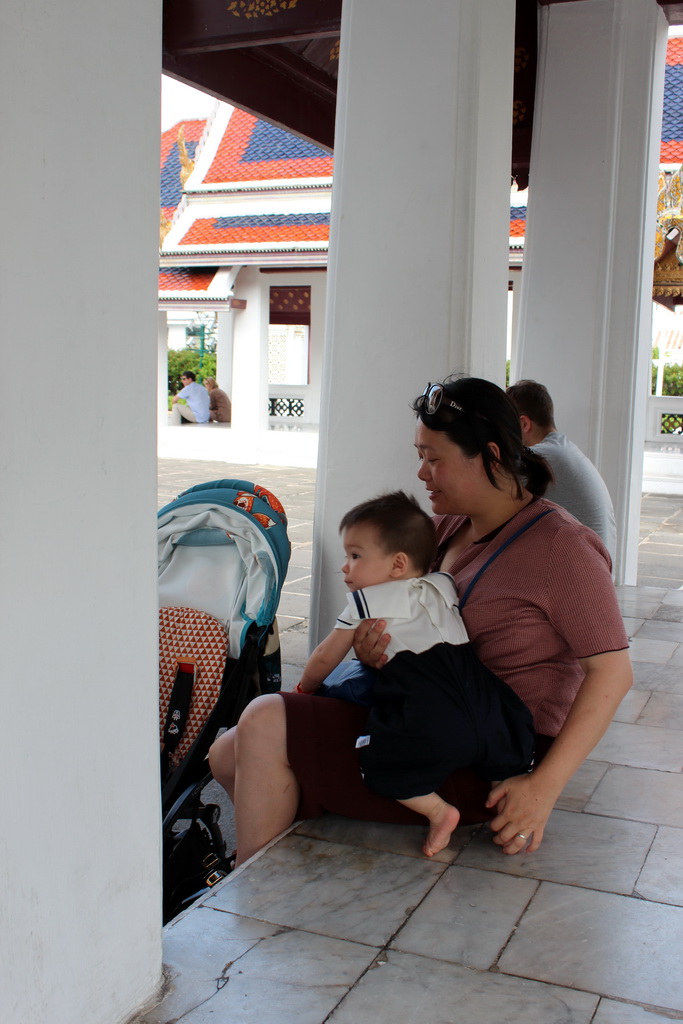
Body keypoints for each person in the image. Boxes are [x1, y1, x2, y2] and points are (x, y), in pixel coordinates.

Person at [209, 376, 632, 869]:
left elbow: (613, 673)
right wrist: (375, 651)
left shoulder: (562, 547)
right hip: (415, 715)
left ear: (490, 455)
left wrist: (543, 787)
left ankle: (253, 893)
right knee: (225, 753)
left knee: (263, 721)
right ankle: (279, 863)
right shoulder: (451, 527)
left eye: (435, 459)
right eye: (420, 456)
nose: (422, 473)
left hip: (487, 752)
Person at [296, 490, 535, 857]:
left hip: (430, 706)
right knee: (502, 754)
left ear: (397, 565)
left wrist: (304, 688)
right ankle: (506, 799)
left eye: (355, 555)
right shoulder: (443, 585)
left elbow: (325, 657)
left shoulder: (366, 602)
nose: (345, 566)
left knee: (384, 765)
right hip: (487, 701)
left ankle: (439, 813)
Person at [506, 379, 617, 564]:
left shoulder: (543, 456)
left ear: (524, 424)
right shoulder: (563, 450)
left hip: (583, 579)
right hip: (596, 574)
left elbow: (482, 486)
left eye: (505, 427)